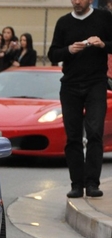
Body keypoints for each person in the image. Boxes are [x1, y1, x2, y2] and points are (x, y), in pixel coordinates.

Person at [48, 0, 112, 198]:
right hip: (70, 86)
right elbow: (52, 54)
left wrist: (102, 44)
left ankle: (92, 183)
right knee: (73, 136)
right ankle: (76, 184)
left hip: (96, 84)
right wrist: (68, 50)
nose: (76, 1)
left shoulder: (104, 18)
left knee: (94, 133)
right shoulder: (63, 22)